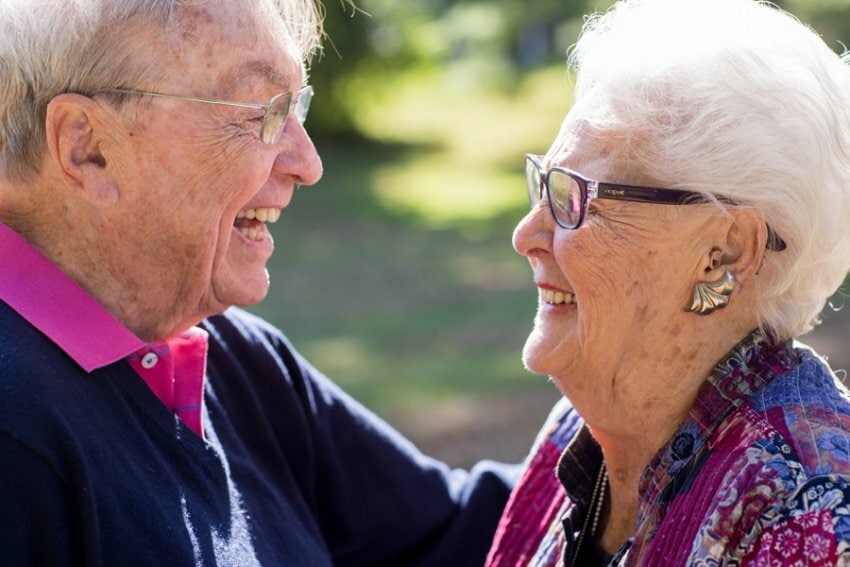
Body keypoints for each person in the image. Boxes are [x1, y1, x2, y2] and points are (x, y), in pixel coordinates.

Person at [0, 1, 517, 565]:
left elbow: (456, 536)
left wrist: (621, 401)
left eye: (297, 107)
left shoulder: (231, 357)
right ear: (88, 148)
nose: (307, 162)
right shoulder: (15, 434)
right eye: (261, 111)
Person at [484, 0, 850, 565]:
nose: (526, 233)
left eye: (576, 199)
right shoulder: (583, 432)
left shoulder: (811, 513)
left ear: (723, 252)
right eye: (544, 184)